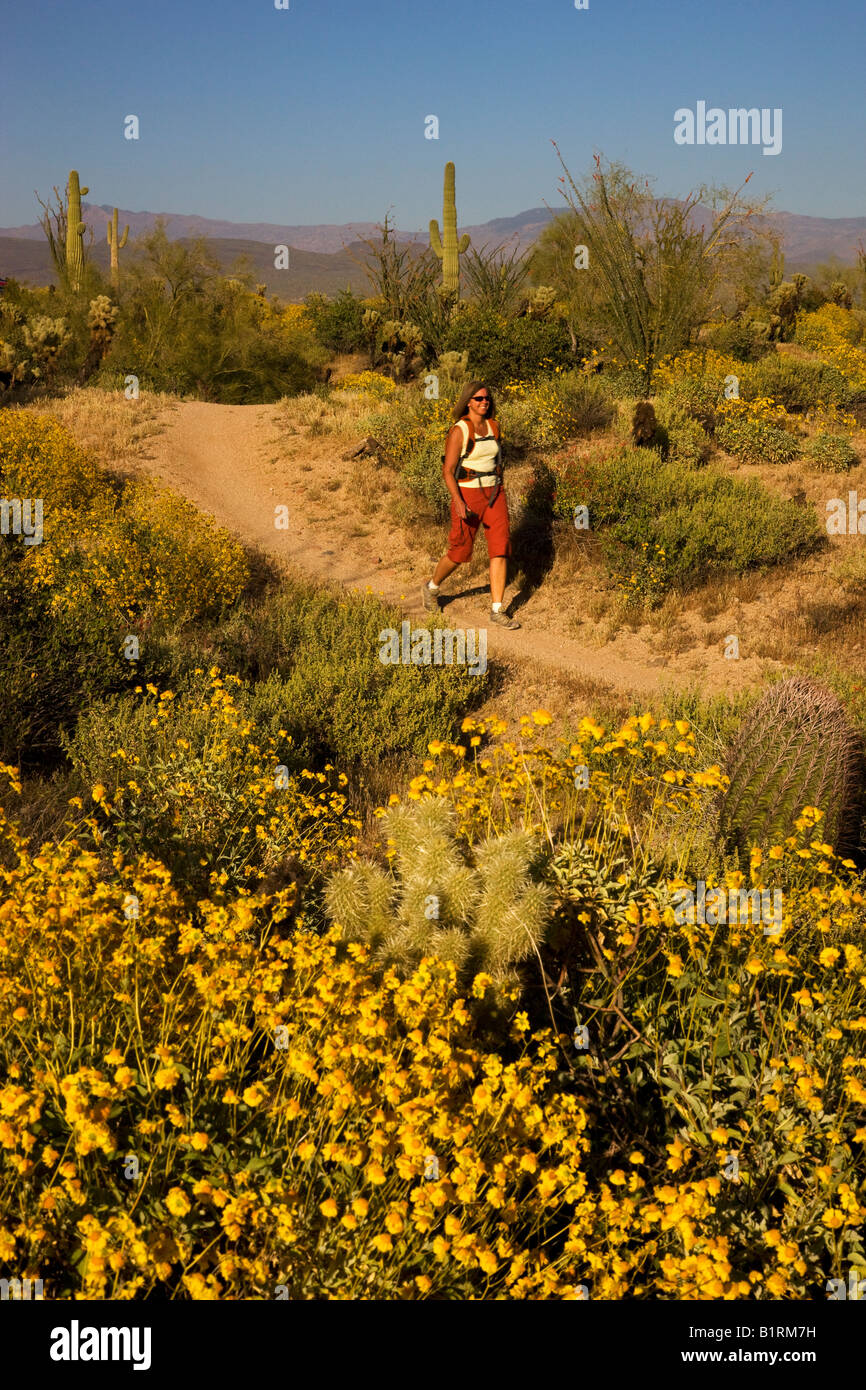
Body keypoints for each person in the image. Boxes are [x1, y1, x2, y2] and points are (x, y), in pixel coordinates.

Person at [422, 380, 520, 628]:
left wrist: (500, 485)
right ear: (468, 402)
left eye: (487, 398)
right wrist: (458, 501)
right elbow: (448, 470)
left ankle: (497, 610)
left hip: (495, 494)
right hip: (467, 494)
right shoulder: (459, 430)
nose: (484, 402)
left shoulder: (494, 427)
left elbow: (498, 460)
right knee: (460, 551)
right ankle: (432, 588)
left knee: (500, 547)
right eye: (478, 399)